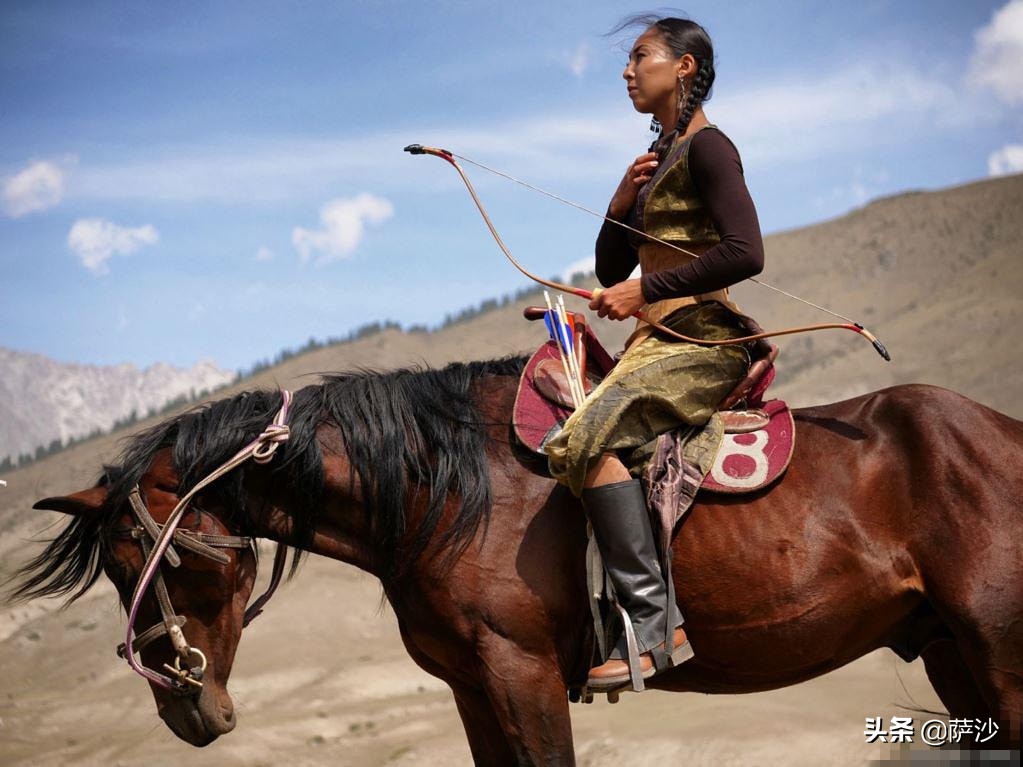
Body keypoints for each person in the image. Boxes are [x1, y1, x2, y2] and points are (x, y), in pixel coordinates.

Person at [544, 15, 765, 692]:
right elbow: (613, 267)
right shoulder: (656, 158)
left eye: (640, 57)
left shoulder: (708, 148)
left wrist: (644, 289)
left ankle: (653, 627)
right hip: (653, 342)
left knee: (577, 440)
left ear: (684, 68)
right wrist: (618, 204)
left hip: (704, 339)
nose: (627, 70)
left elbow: (745, 252)